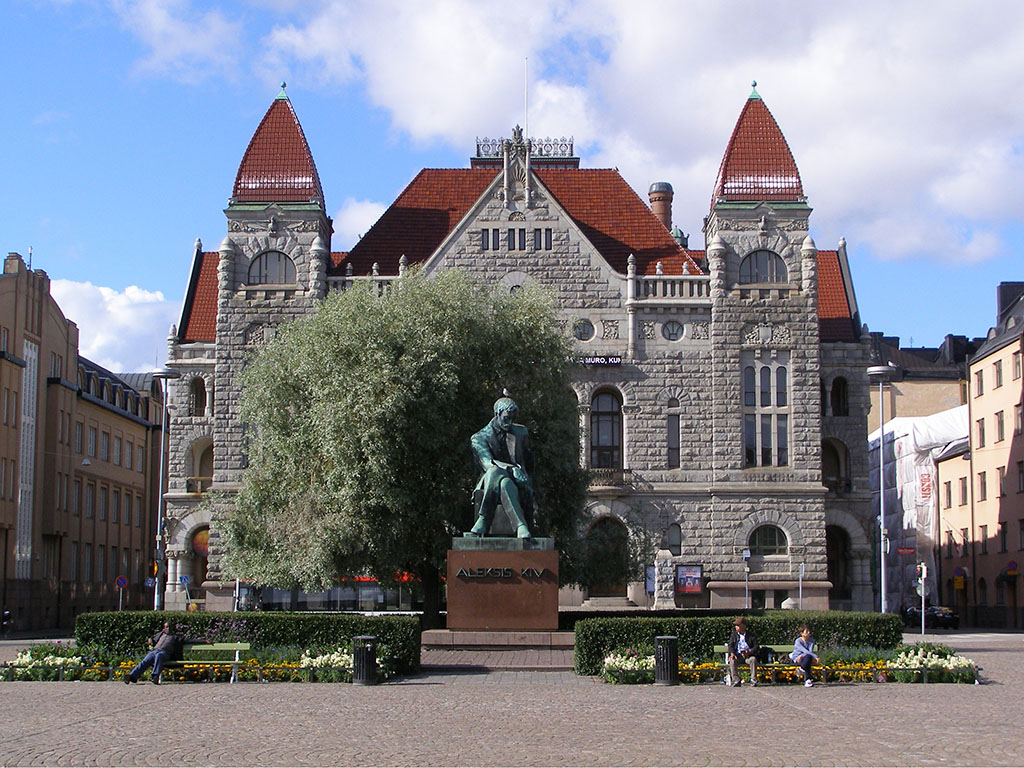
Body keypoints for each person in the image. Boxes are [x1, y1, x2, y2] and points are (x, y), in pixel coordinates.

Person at [467, 396, 535, 539]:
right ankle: (521, 526)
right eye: (506, 418)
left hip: (518, 482)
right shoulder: (478, 438)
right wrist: (511, 469)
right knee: (497, 475)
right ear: (496, 415)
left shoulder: (521, 433)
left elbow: (529, 462)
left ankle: (483, 519)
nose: (509, 423)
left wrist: (527, 478)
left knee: (504, 482)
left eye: (512, 419)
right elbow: (488, 463)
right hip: (490, 480)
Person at [726, 616, 760, 687]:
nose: (736, 627)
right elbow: (730, 646)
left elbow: (756, 647)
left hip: (748, 656)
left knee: (753, 660)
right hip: (738, 655)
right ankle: (736, 680)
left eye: (738, 625)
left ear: (743, 626)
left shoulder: (751, 635)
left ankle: (753, 680)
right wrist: (732, 653)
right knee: (732, 661)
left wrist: (750, 651)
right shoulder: (734, 635)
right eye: (736, 625)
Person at [790, 623, 819, 688]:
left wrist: (804, 656)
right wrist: (816, 656)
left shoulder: (812, 641)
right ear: (801, 633)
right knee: (808, 658)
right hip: (797, 658)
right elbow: (804, 650)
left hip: (806, 657)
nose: (808, 633)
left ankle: (802, 670)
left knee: (808, 658)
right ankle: (807, 680)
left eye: (809, 631)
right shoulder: (798, 641)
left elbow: (809, 651)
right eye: (806, 631)